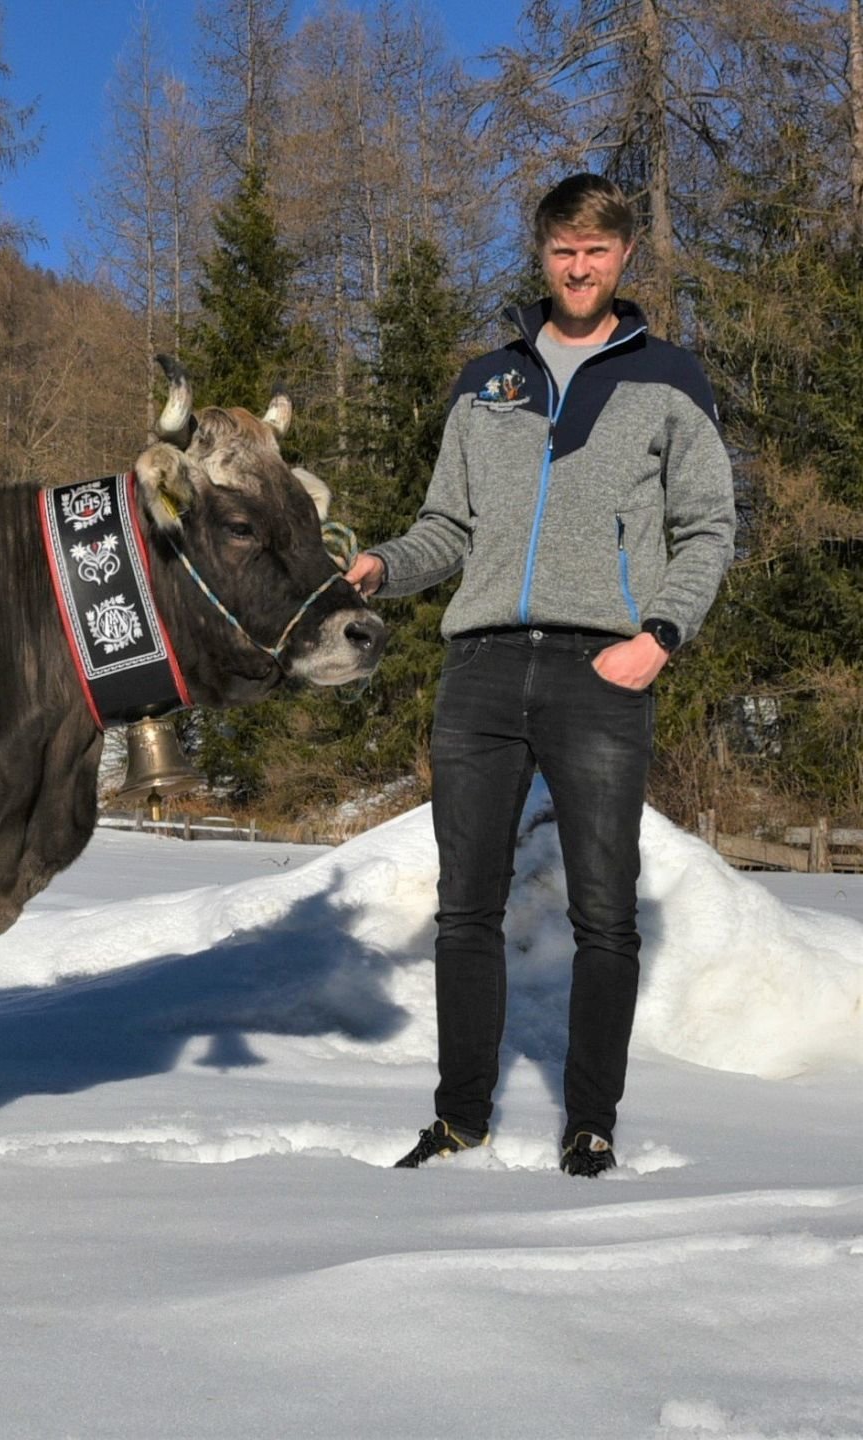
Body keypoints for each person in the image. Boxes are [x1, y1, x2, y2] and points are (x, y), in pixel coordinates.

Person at [344, 173, 736, 1177]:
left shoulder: (671, 378)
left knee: (604, 911)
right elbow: (449, 527)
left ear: (625, 258)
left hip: (600, 670)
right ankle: (460, 1117)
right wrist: (388, 563)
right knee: (465, 906)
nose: (579, 265)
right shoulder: (488, 382)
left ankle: (590, 1124)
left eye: (598, 250)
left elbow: (707, 527)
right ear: (542, 253)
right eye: (564, 248)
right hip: (478, 669)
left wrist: (659, 635)